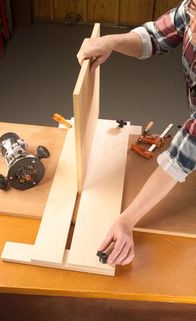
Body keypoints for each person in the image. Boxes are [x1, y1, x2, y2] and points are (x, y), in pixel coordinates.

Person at [77, 0, 196, 266]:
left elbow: (181, 157)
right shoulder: (192, 8)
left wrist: (127, 220)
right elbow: (155, 36)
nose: (193, 26)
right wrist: (112, 42)